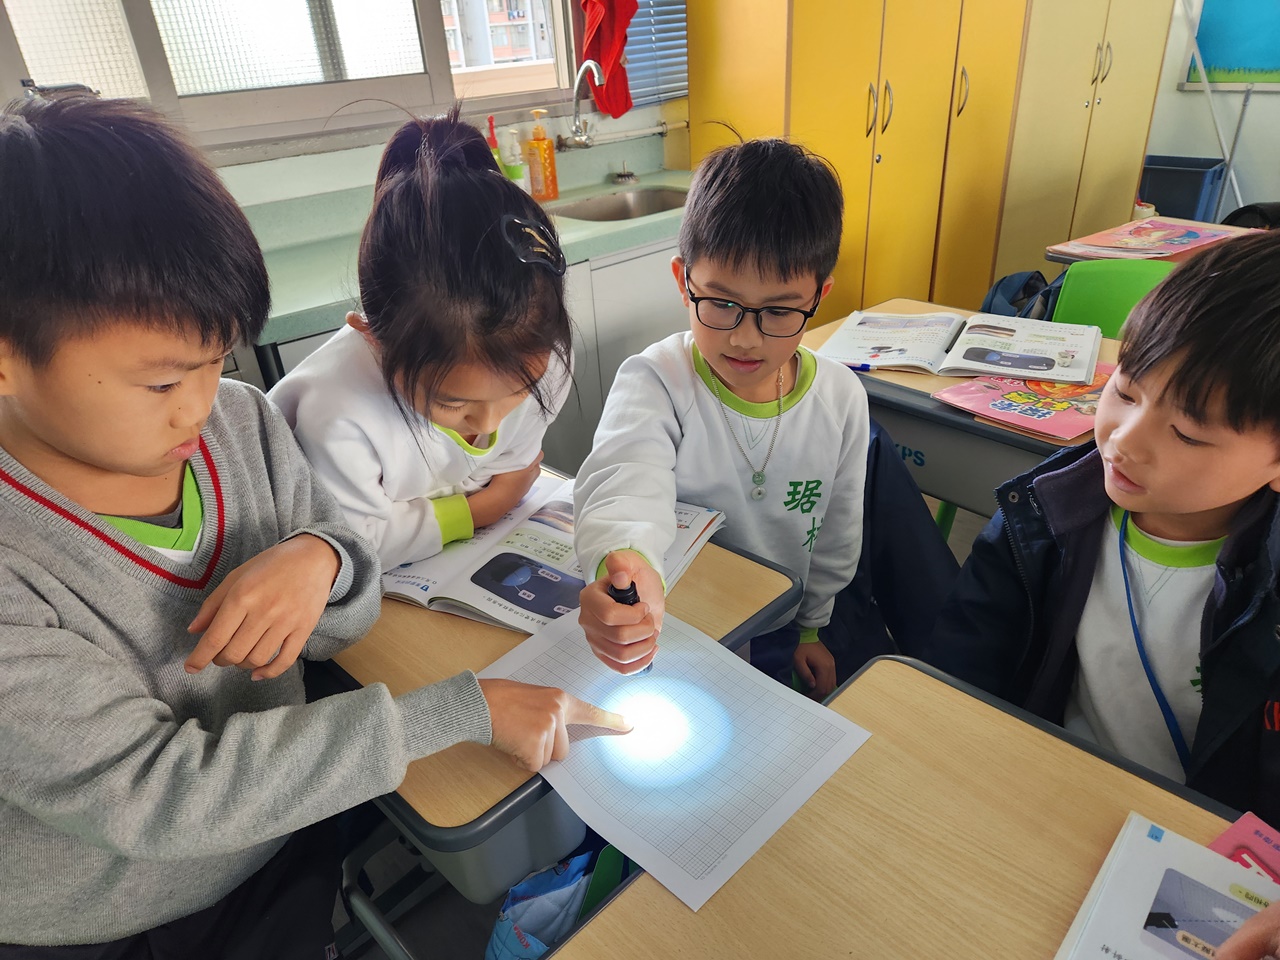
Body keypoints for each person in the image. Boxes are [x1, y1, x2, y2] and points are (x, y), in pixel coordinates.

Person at [0, 95, 624, 957]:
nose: (200, 404)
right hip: (106, 916)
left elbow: (344, 613)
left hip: (281, 826)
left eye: (218, 358)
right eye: (162, 382)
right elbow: (153, 793)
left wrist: (320, 557)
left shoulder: (241, 423)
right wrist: (454, 713)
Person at [918, 230, 1280, 823]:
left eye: (1187, 434)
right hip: (1043, 790)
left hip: (1200, 840)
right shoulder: (1044, 513)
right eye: (1127, 392)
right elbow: (963, 659)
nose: (1124, 441)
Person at [574, 138, 952, 699]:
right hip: (680, 619)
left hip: (784, 621)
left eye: (778, 311)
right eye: (721, 303)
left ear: (819, 296)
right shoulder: (656, 381)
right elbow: (624, 481)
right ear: (683, 281)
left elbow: (838, 533)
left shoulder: (841, 397)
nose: (745, 338)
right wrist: (626, 562)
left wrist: (813, 628)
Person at [270, 107, 573, 569]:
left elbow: (510, 468)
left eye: (520, 391)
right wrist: (483, 508)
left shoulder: (544, 361)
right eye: (452, 402)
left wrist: (424, 515)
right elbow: (347, 544)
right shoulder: (337, 413)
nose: (488, 422)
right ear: (375, 339)